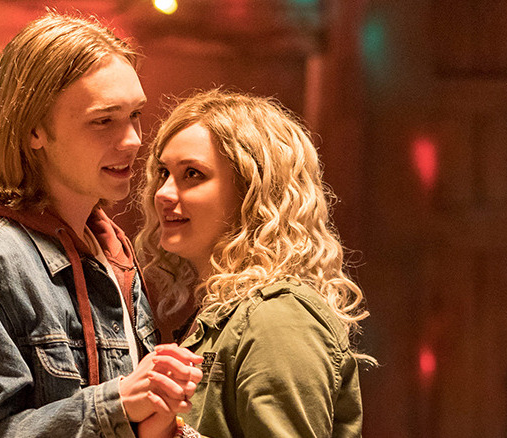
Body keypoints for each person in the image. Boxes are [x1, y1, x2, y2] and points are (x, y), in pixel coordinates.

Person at [0, 12, 203, 438]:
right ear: (34, 130)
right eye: (103, 120)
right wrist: (116, 404)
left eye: (135, 115)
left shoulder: (111, 249)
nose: (132, 140)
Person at [136, 89, 373, 437]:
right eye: (163, 172)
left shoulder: (277, 317)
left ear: (252, 190)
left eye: (192, 174)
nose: (164, 193)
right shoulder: (228, 314)